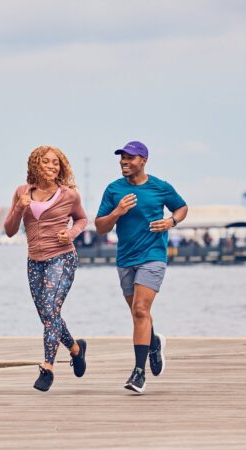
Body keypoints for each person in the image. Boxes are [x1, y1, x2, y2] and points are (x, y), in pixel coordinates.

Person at [95, 141, 188, 394]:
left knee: (140, 309)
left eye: (130, 158)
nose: (124, 162)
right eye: (122, 158)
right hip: (125, 258)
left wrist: (171, 221)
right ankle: (154, 342)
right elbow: (101, 227)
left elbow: (181, 206)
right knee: (139, 315)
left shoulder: (160, 187)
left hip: (153, 255)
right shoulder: (114, 190)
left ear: (143, 160)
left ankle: (138, 373)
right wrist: (118, 211)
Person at [4, 145, 88, 392]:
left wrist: (71, 233)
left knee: (51, 310)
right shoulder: (22, 192)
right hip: (34, 261)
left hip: (62, 258)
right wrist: (20, 207)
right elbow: (9, 230)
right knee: (47, 316)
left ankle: (48, 367)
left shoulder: (69, 195)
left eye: (56, 163)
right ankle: (75, 349)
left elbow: (83, 219)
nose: (52, 167)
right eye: (47, 162)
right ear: (35, 165)